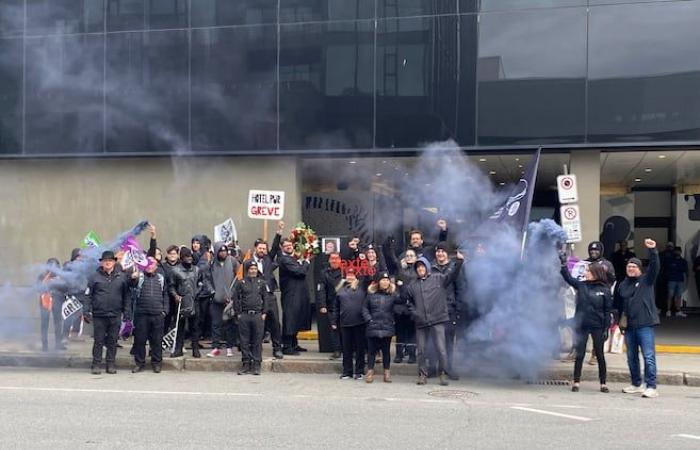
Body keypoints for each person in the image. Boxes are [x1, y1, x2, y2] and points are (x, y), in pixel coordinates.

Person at [405, 253, 464, 386]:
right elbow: (408, 303)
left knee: (441, 350)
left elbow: (452, 275)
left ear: (427, 267)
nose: (420, 269)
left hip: (437, 319)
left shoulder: (439, 278)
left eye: (422, 267)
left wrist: (459, 262)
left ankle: (442, 374)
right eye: (418, 268)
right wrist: (415, 314)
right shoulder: (412, 285)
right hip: (421, 322)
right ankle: (422, 375)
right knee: (421, 350)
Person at [560, 261, 613, 393]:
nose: (585, 273)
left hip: (597, 326)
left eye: (588, 271)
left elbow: (607, 311)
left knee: (600, 355)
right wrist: (563, 265)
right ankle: (576, 382)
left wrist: (606, 328)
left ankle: (603, 383)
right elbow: (568, 278)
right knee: (580, 354)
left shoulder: (605, 289)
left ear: (596, 273)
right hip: (582, 325)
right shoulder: (582, 285)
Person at [617, 238, 660, 398]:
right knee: (631, 357)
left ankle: (651, 386)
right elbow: (620, 305)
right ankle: (636, 384)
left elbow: (655, 267)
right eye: (629, 266)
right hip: (629, 327)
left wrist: (653, 250)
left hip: (645, 325)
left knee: (648, 356)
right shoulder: (623, 284)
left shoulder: (646, 281)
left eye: (634, 266)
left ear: (640, 269)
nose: (631, 268)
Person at [84, 251, 133, 375]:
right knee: (99, 341)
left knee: (112, 341)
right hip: (99, 314)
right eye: (105, 260)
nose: (108, 262)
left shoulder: (121, 277)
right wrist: (86, 311)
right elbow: (88, 295)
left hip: (115, 314)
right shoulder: (94, 277)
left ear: (114, 262)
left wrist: (127, 313)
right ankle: (96, 364)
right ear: (101, 262)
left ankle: (110, 364)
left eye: (110, 260)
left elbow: (127, 296)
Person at [276, 222, 312, 355]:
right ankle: (287, 346)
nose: (288, 247)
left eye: (290, 245)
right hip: (290, 294)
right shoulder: (284, 259)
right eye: (285, 246)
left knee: (297, 317)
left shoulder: (293, 258)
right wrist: (306, 262)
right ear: (282, 248)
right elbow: (300, 272)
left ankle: (294, 343)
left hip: (299, 292)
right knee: (290, 318)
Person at [247, 230, 283, 359]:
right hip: (257, 297)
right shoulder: (249, 262)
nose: (262, 250)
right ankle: (256, 349)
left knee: (275, 323)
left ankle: (277, 348)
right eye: (260, 248)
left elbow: (275, 246)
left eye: (264, 248)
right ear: (255, 249)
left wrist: (279, 233)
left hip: (270, 296)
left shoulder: (268, 259)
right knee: (258, 325)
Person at [362, 272, 403, 383]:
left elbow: (402, 300)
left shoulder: (393, 295)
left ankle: (387, 372)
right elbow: (364, 308)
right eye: (383, 280)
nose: (385, 282)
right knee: (371, 351)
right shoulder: (371, 294)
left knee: (386, 352)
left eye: (387, 280)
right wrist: (369, 319)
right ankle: (370, 372)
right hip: (373, 326)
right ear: (378, 281)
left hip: (387, 326)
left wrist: (401, 286)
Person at [234, 261, 271, 376]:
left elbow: (266, 299)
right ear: (247, 270)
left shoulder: (262, 283)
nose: (253, 271)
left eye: (255, 269)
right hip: (244, 315)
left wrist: (264, 313)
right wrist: (238, 313)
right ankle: (246, 364)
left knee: (257, 340)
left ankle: (256, 364)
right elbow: (236, 298)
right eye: (251, 269)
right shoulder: (241, 283)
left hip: (257, 315)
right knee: (244, 341)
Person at [131, 257, 168, 373]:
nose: (150, 266)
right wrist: (133, 278)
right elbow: (131, 285)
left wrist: (165, 310)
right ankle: (139, 363)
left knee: (157, 341)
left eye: (153, 264)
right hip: (142, 314)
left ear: (156, 266)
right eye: (148, 264)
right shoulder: (139, 277)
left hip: (157, 314)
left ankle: (156, 363)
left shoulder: (161, 278)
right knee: (140, 340)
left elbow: (165, 295)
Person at [331, 268, 368, 380]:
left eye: (352, 275)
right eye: (348, 275)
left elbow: (369, 275)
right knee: (346, 349)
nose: (350, 277)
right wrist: (334, 320)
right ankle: (347, 371)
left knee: (359, 349)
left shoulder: (361, 287)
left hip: (359, 323)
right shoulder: (340, 290)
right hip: (345, 323)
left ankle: (359, 371)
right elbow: (336, 307)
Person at [431, 242, 460, 380]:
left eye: (443, 251)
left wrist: (458, 308)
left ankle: (448, 368)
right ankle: (433, 367)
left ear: (447, 253)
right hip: (434, 309)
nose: (440, 254)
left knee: (448, 342)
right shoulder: (430, 267)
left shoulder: (455, 267)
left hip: (450, 309)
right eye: (438, 251)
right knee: (434, 340)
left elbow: (460, 289)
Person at [169, 247, 203, 358]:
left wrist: (196, 293)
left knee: (195, 327)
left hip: (194, 301)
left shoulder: (197, 270)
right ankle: (178, 349)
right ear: (182, 258)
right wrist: (175, 295)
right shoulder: (175, 271)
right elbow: (171, 286)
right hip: (181, 302)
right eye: (186, 257)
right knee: (180, 326)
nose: (189, 259)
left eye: (190, 256)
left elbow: (201, 284)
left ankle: (195, 349)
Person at [208, 242, 240, 357]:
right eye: (221, 251)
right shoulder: (211, 264)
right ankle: (216, 348)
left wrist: (232, 295)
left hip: (229, 300)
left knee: (230, 324)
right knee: (216, 324)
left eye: (225, 251)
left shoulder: (233, 262)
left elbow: (239, 279)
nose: (223, 253)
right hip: (216, 300)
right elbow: (208, 280)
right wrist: (213, 292)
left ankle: (230, 347)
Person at [391, 248, 418, 364]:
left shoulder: (418, 271)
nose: (409, 257)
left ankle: (412, 355)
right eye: (407, 255)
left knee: (412, 332)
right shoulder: (400, 270)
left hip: (412, 306)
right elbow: (394, 287)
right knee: (400, 332)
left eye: (412, 255)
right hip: (400, 307)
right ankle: (399, 354)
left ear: (416, 258)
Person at [317, 252, 344, 359]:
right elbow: (321, 290)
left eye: (336, 258)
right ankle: (337, 350)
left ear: (340, 260)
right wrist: (322, 304)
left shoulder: (345, 272)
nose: (334, 261)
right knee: (334, 328)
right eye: (332, 259)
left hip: (345, 304)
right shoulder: (324, 273)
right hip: (332, 304)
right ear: (329, 261)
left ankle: (349, 350)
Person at [38, 258, 65, 352]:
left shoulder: (61, 276)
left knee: (58, 323)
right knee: (44, 324)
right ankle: (44, 345)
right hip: (45, 301)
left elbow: (65, 288)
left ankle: (58, 344)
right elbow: (38, 288)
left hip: (57, 300)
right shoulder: (42, 276)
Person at [665, 247, 688, 318]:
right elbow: (667, 269)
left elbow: (685, 271)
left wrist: (685, 281)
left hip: (680, 280)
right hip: (671, 280)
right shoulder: (670, 260)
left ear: (680, 252)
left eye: (679, 251)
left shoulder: (683, 261)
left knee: (679, 296)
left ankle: (678, 311)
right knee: (670, 295)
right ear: (674, 252)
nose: (677, 253)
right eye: (676, 251)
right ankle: (668, 310)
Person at [161, 245, 180, 332]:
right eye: (170, 253)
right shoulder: (162, 266)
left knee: (177, 320)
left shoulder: (181, 266)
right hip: (166, 296)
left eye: (174, 253)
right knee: (166, 319)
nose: (172, 255)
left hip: (178, 296)